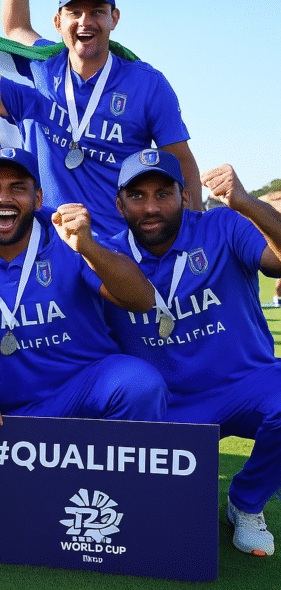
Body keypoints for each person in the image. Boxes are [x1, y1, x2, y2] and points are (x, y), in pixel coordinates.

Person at [0, 0, 200, 238]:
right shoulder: (43, 71)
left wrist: (194, 233)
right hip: (46, 246)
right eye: (74, 12)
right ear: (58, 22)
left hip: (118, 248)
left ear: (114, 18)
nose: (85, 21)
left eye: (97, 12)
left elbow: (181, 162)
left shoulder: (148, 84)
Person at [105, 149, 281, 556]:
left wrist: (246, 202)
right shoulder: (106, 257)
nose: (151, 207)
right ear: (119, 204)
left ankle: (246, 502)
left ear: (184, 197)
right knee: (161, 530)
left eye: (163, 194)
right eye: (137, 196)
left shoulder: (222, 225)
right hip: (167, 408)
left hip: (245, 387)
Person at [0, 148, 167, 424]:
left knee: (139, 384)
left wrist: (89, 248)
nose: (3, 198)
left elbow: (142, 299)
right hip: (9, 413)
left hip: (83, 391)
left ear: (38, 198)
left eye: (17, 188)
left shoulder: (67, 238)